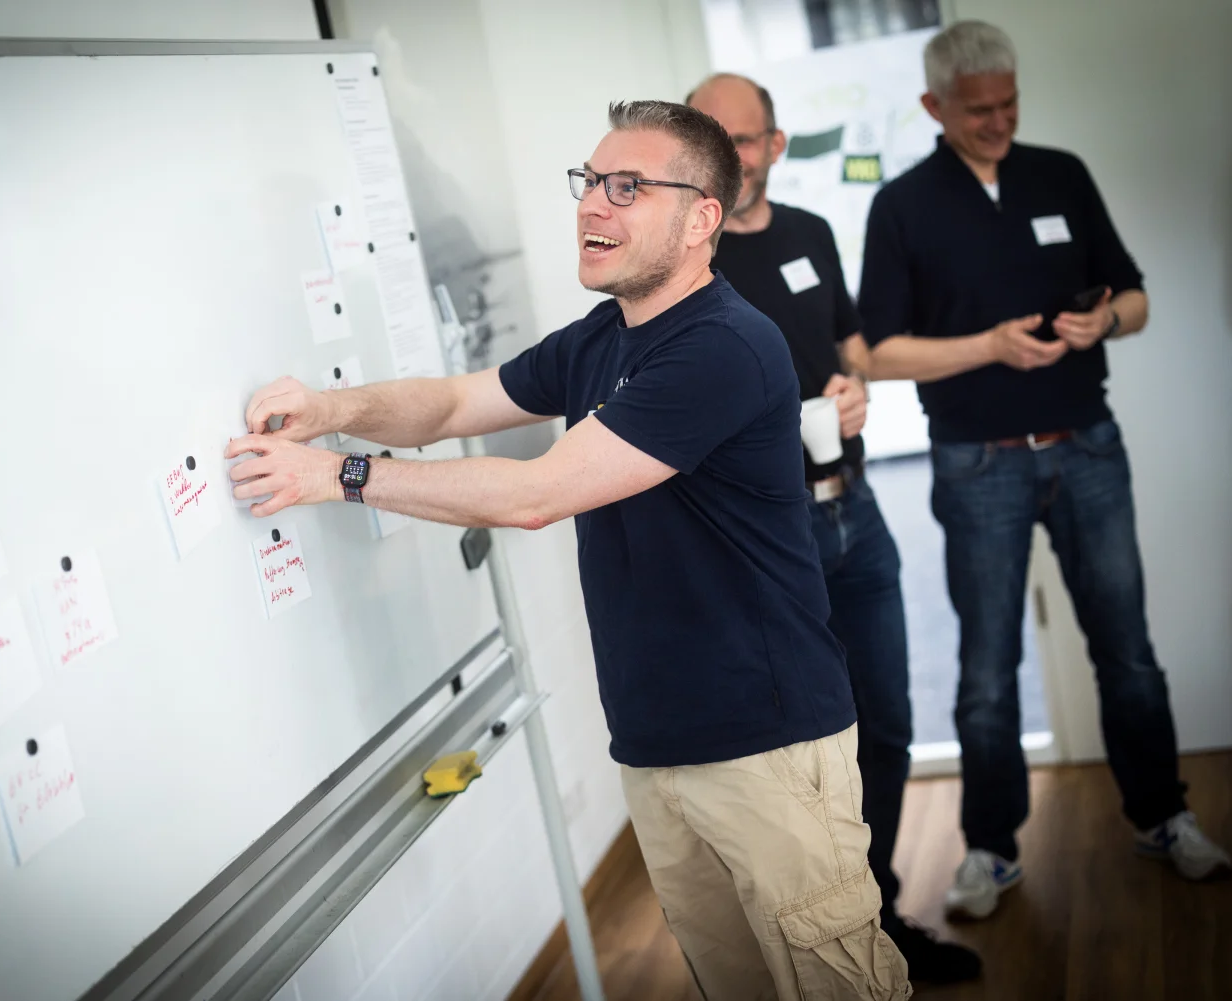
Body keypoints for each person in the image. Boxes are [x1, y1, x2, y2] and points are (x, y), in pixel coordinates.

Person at [225, 100, 910, 1000]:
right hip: (656, 746)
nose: (593, 205)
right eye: (590, 182)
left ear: (703, 217)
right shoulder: (605, 337)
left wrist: (336, 476)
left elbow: (534, 494)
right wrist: (331, 408)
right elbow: (455, 405)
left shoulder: (725, 347)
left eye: (629, 187)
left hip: (768, 750)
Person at [858, 20, 1232, 923]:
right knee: (988, 670)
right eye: (978, 109)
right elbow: (877, 352)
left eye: (1010, 102)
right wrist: (986, 346)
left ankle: (1163, 814)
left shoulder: (1060, 172)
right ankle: (991, 847)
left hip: (1089, 448)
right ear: (932, 107)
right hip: (976, 465)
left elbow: (1136, 295)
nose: (998, 121)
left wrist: (1103, 325)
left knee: (1129, 652)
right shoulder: (903, 205)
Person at [689, 72, 981, 983]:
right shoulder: (684, 261)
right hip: (762, 538)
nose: (732, 155)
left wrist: (855, 387)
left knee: (887, 722)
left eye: (746, 139)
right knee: (797, 752)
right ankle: (819, 945)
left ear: (776, 146)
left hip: (855, 511)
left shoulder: (813, 234)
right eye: (713, 137)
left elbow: (851, 352)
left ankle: (879, 916)